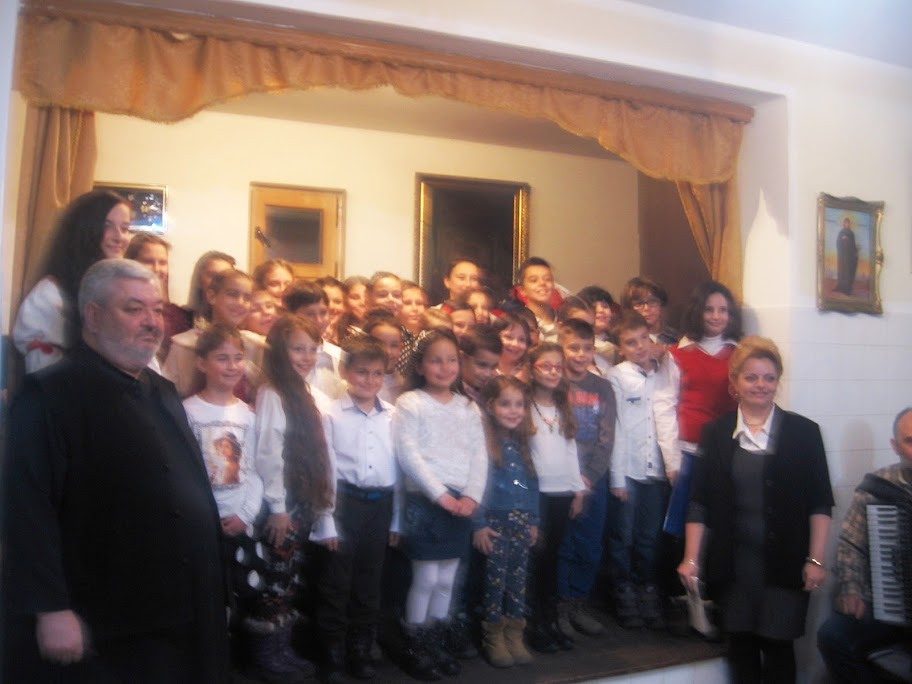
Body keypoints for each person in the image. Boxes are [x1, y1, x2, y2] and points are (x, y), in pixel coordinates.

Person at [2, 258, 228, 683]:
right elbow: (27, 508)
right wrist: (50, 607)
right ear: (93, 316)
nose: (152, 322)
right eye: (133, 308)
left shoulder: (162, 391)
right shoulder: (49, 395)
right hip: (107, 617)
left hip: (183, 605)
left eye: (157, 309)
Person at [677, 336, 833, 684]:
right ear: (735, 382)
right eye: (751, 377)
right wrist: (691, 558)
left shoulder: (805, 433)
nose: (761, 385)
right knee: (741, 647)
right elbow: (700, 501)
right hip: (734, 565)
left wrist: (817, 559)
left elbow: (820, 501)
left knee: (778, 648)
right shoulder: (716, 433)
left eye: (769, 377)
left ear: (777, 381)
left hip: (785, 564)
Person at [393, 329, 487, 680]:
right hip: (427, 501)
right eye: (436, 360)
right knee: (427, 577)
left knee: (447, 578)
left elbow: (479, 455)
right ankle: (416, 645)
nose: (445, 367)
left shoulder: (468, 407)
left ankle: (436, 641)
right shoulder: (411, 403)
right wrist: (441, 495)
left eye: (451, 360)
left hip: (461, 503)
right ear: (420, 366)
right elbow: (409, 455)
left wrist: (472, 495)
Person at [312, 335, 400, 682]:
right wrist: (325, 520)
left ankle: (360, 648)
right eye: (362, 372)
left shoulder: (392, 415)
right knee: (335, 581)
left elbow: (399, 470)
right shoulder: (331, 413)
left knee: (369, 581)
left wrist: (397, 521)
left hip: (380, 506)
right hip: (344, 505)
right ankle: (331, 652)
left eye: (377, 373)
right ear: (345, 371)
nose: (370, 380)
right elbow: (325, 469)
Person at [251, 315, 333, 681]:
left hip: (302, 501)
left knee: (289, 577)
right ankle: (266, 654)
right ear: (280, 352)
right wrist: (278, 508)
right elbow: (270, 454)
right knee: (275, 580)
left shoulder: (303, 391)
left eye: (312, 350)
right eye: (298, 349)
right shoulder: (273, 392)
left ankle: (283, 647)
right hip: (283, 504)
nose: (306, 357)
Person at [182, 325, 265, 674]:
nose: (232, 366)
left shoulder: (248, 415)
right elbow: (183, 472)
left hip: (240, 519)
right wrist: (203, 515)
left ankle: (238, 660)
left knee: (243, 592)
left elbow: (257, 469)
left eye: (237, 358)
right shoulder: (187, 411)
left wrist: (246, 514)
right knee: (208, 597)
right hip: (203, 523)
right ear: (201, 362)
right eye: (222, 358)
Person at [817, 407, 912, 684]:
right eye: (910, 441)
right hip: (888, 607)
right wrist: (851, 587)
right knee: (833, 637)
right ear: (895, 446)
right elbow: (851, 544)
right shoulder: (878, 487)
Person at [607, 311, 681, 630]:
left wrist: (672, 464)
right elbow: (617, 429)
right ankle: (623, 589)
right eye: (630, 342)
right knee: (623, 535)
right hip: (628, 469)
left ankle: (646, 586)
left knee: (649, 537)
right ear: (620, 348)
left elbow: (668, 416)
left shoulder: (664, 370)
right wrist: (617, 477)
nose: (639, 347)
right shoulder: (617, 376)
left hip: (656, 469)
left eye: (643, 339)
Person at [12, 189, 132, 374]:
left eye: (125, 229)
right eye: (107, 226)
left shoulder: (124, 290)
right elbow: (46, 378)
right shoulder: (50, 295)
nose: (119, 237)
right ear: (84, 230)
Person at [665, 282, 742, 538]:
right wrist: (671, 458)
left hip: (726, 450)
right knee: (681, 527)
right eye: (709, 309)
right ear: (697, 311)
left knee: (718, 524)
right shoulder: (677, 354)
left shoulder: (740, 355)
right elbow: (665, 406)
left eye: (723, 310)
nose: (716, 316)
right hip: (687, 453)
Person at [472, 376, 539, 668]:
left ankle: (515, 634)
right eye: (506, 404)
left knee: (518, 581)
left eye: (519, 405)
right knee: (495, 582)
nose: (514, 411)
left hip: (521, 523)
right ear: (490, 406)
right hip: (494, 524)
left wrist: (534, 519)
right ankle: (493, 636)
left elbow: (529, 484)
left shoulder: (522, 444)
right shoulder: (484, 444)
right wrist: (478, 523)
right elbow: (475, 485)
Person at [556, 319, 616, 638]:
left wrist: (589, 477)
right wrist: (569, 479)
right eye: (573, 348)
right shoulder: (554, 384)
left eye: (587, 348)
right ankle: (559, 606)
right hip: (559, 482)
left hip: (593, 481)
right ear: (561, 347)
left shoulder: (602, 387)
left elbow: (606, 438)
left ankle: (578, 603)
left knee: (590, 546)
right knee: (563, 545)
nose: (580, 354)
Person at [525, 342, 586, 653]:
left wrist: (578, 489)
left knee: (553, 559)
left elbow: (571, 448)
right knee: (535, 558)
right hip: (537, 494)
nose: (552, 372)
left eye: (557, 367)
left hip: (563, 492)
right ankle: (532, 623)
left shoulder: (563, 406)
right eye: (545, 366)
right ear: (532, 369)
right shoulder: (524, 407)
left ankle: (549, 620)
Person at [163, 268, 259, 399]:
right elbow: (167, 395)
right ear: (211, 296)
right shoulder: (184, 345)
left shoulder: (255, 347)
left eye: (247, 298)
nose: (240, 303)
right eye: (232, 295)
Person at [125, 233, 193, 364]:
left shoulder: (180, 316)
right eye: (148, 262)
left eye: (162, 263)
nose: (157, 269)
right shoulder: (122, 308)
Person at [283, 279, 344, 399]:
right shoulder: (282, 354)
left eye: (323, 313)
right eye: (309, 314)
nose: (319, 320)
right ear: (291, 315)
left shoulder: (339, 356)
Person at [620, 276, 680, 359]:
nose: (646, 308)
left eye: (652, 301)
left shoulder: (675, 337)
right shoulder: (623, 339)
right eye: (639, 304)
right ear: (629, 308)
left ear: (661, 304)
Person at [186, 250, 236, 327]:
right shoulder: (181, 319)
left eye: (225, 277)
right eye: (212, 275)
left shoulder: (242, 322)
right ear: (199, 280)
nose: (219, 281)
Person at [516, 257, 560, 342]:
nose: (542, 283)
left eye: (548, 279)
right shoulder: (518, 322)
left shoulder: (565, 320)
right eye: (534, 280)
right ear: (522, 290)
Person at [458, 324, 503, 403]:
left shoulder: (493, 391)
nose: (487, 374)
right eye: (482, 365)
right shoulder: (451, 392)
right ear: (462, 358)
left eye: (493, 367)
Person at [493, 312, 531, 383]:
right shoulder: (486, 368)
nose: (515, 344)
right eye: (508, 337)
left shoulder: (531, 373)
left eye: (522, 339)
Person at [316, 275, 346, 345]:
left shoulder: (351, 336)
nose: (331, 307)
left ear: (344, 306)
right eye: (326, 301)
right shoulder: (304, 336)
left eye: (337, 302)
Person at [834, 216, 859, 296]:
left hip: (849, 256)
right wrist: (842, 239)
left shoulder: (851, 233)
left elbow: (853, 244)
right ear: (844, 224)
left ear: (849, 224)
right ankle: (841, 287)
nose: (847, 224)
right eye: (846, 223)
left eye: (848, 223)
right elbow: (837, 242)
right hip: (842, 256)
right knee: (842, 271)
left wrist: (855, 251)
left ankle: (847, 289)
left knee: (848, 272)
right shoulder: (841, 232)